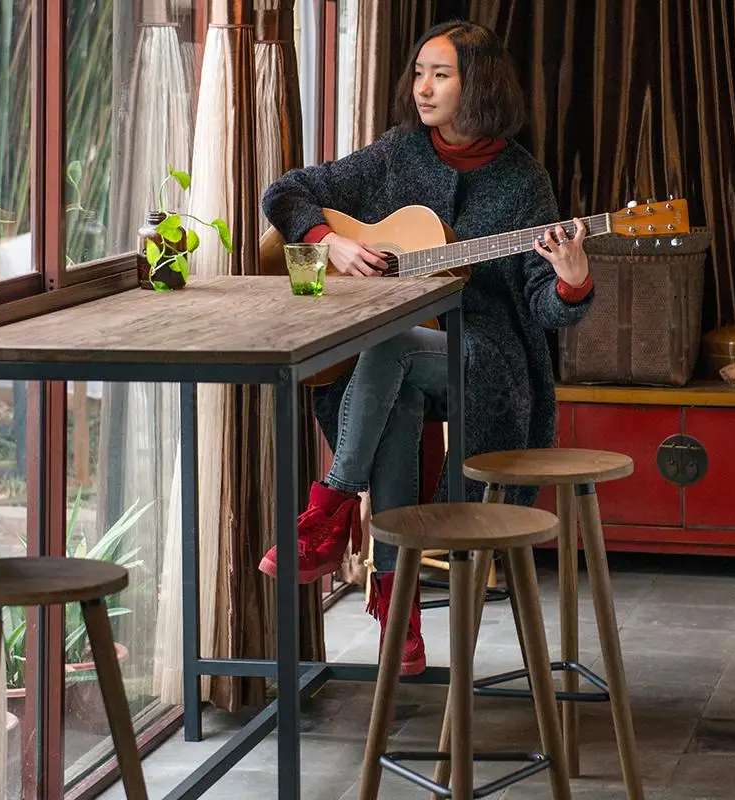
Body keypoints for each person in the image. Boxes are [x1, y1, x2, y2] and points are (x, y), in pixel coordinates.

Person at [258, 20, 594, 676]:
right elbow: (285, 192)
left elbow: (544, 306)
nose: (423, 88)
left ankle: (329, 506)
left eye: (441, 75)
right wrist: (329, 241)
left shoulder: (524, 181)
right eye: (419, 73)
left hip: (486, 359)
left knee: (392, 349)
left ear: (479, 85)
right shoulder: (398, 152)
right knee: (399, 398)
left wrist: (572, 280)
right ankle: (400, 613)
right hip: (398, 358)